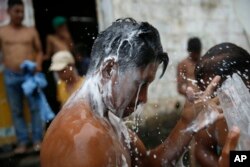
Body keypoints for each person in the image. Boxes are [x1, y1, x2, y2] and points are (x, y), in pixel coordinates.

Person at [40, 18, 238, 167]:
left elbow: (147, 163)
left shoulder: (106, 118)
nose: (144, 98)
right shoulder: (83, 138)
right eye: (140, 84)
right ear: (109, 70)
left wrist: (187, 122)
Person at [193, 42, 250, 167]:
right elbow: (202, 149)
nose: (212, 103)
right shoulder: (213, 115)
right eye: (207, 94)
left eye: (220, 93)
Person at [0, 0, 43, 153]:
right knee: (16, 110)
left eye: (22, 11)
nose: (20, 15)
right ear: (9, 12)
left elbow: (39, 51)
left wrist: (38, 64)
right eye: (17, 11)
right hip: (10, 75)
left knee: (35, 108)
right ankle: (22, 142)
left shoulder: (30, 31)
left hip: (29, 75)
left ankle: (37, 140)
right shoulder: (2, 31)